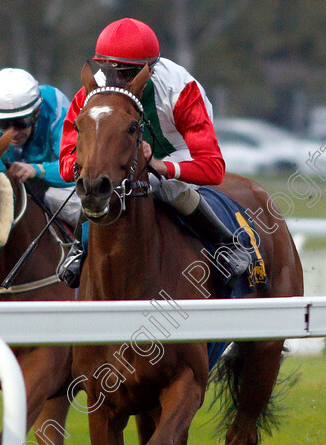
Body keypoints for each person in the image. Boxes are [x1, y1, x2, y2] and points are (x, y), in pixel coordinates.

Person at [57, 17, 252, 288]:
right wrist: (88, 165)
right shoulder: (91, 96)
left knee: (162, 185)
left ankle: (226, 244)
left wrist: (162, 166)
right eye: (113, 70)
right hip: (125, 155)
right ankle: (79, 247)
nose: (120, 80)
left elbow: (213, 168)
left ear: (149, 68)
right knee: (95, 186)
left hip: (176, 151)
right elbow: (66, 164)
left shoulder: (181, 90)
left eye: (129, 73)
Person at [0, 67, 80, 224]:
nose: (12, 133)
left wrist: (37, 170)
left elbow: (76, 168)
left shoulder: (56, 108)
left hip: (53, 185)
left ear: (36, 113)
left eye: (20, 123)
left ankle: (85, 247)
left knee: (70, 203)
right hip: (9, 184)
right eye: (3, 124)